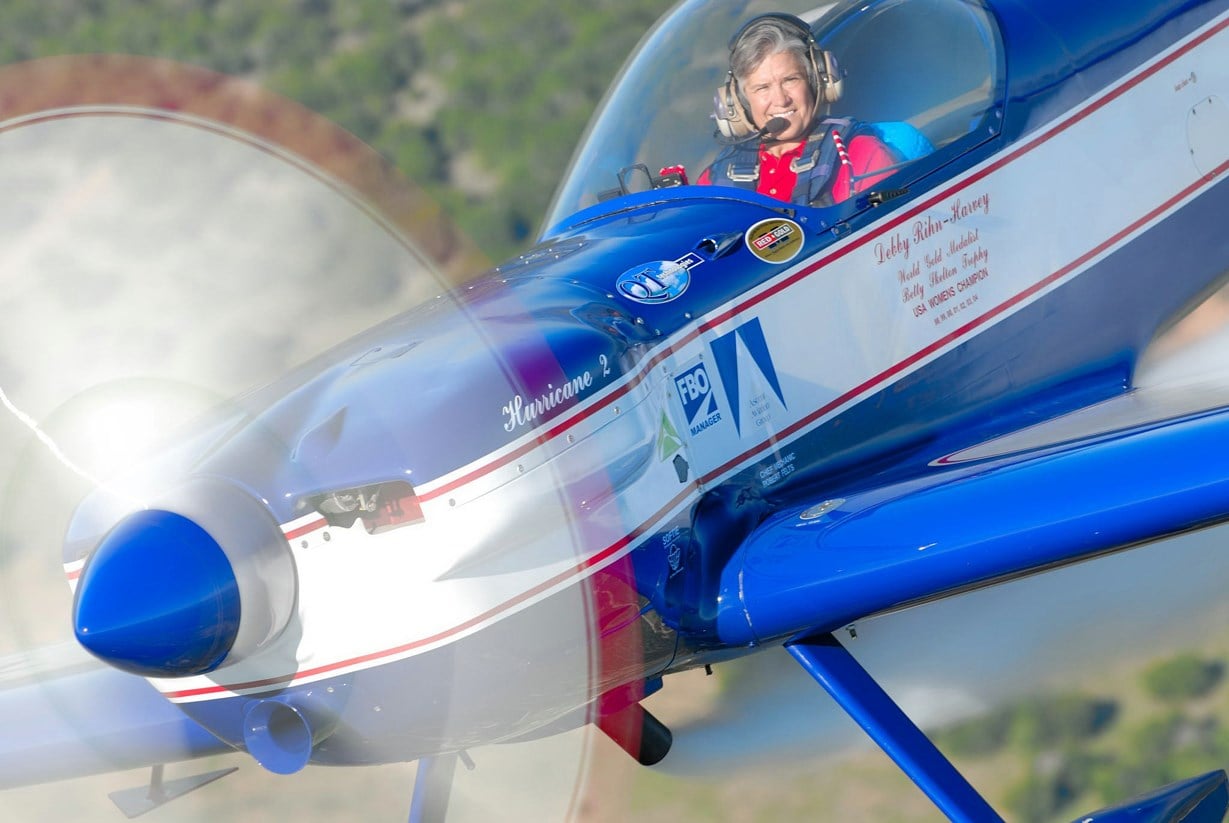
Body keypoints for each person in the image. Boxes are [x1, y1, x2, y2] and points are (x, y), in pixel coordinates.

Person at [698, 13, 897, 206]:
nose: (781, 100)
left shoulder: (857, 155)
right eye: (762, 88)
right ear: (739, 101)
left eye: (790, 80)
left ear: (815, 81)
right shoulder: (716, 177)